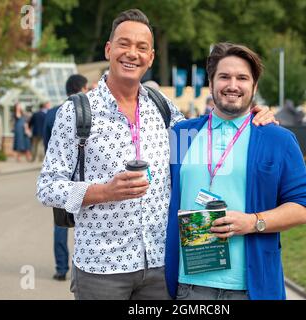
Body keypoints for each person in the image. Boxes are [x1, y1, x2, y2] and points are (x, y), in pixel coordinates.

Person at [36, 9, 276, 300]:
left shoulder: (164, 109)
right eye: (124, 44)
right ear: (109, 49)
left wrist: (252, 115)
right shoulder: (76, 112)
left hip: (161, 267)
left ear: (150, 58)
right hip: (102, 268)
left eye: (142, 48)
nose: (132, 54)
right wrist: (104, 191)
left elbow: (210, 129)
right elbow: (47, 187)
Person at [165, 42, 306, 300]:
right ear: (211, 83)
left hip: (252, 288)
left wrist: (252, 222)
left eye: (242, 78)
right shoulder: (182, 134)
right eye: (224, 76)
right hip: (189, 286)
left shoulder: (277, 139)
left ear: (254, 86)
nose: (232, 85)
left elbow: (302, 207)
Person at [43, 74, 88, 281]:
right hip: (83, 177)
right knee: (86, 222)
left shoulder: (52, 113)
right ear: (83, 88)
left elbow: (47, 145)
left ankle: (61, 268)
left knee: (61, 224)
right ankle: (83, 265)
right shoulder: (88, 110)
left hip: (61, 178)